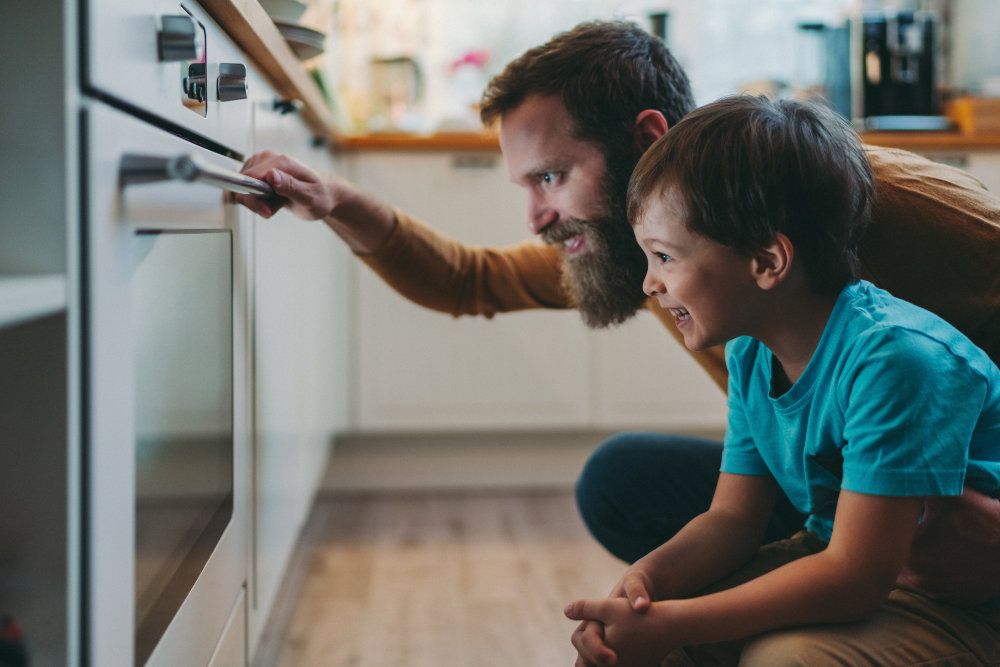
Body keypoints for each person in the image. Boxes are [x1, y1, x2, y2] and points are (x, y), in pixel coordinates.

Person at [234, 20, 1000, 604]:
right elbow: (469, 280)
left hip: (960, 497)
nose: (537, 216)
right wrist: (336, 201)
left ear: (645, 137)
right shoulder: (646, 250)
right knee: (622, 481)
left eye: (552, 176)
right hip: (846, 493)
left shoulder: (868, 201)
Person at [563, 94, 1000, 667]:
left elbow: (856, 578)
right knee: (645, 641)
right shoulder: (750, 352)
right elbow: (732, 519)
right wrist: (647, 583)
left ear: (768, 262)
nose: (650, 283)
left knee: (784, 659)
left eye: (665, 257)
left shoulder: (895, 360)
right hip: (836, 555)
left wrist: (672, 623)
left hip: (958, 602)